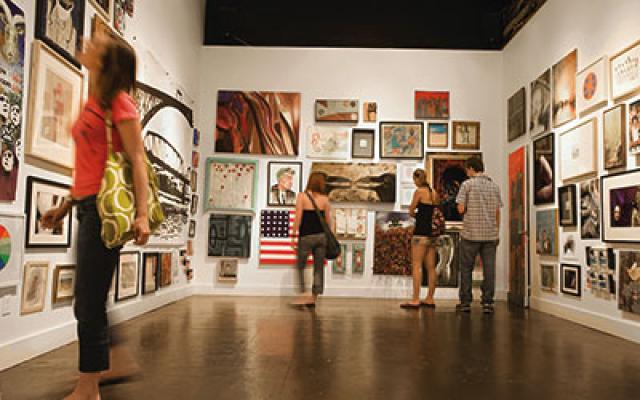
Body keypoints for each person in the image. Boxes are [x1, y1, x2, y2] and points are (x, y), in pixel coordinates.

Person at [41, 32, 150, 400]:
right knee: (91, 295)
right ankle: (115, 361)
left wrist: (142, 215)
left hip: (106, 214)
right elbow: (91, 169)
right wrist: (64, 206)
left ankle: (88, 387)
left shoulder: (120, 105)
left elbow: (137, 161)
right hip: (87, 207)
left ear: (106, 63)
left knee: (87, 301)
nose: (87, 43)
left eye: (96, 47)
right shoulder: (92, 103)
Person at [455, 157, 502, 314]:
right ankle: (487, 303)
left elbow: (461, 209)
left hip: (470, 234)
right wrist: (496, 232)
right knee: (489, 270)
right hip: (490, 235)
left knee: (466, 268)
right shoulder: (494, 186)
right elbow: (497, 212)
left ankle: (465, 302)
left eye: (467, 170)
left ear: (470, 169)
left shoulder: (467, 185)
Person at [290, 172, 332, 306]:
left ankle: (303, 294)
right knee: (318, 267)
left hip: (306, 237)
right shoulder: (325, 199)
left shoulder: (302, 196)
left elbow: (298, 217)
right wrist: (330, 236)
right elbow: (328, 220)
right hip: (321, 237)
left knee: (300, 265)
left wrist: (293, 235)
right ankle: (313, 298)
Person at [401, 169, 440, 309]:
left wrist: (416, 215)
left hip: (420, 232)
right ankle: (430, 298)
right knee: (431, 267)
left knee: (417, 265)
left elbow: (411, 210)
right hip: (432, 234)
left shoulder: (419, 192)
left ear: (417, 179)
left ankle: (415, 299)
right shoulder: (434, 192)